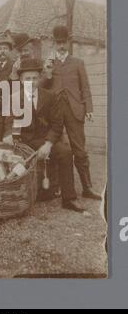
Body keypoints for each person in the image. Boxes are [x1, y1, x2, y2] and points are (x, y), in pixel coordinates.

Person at [3, 58, 85, 213]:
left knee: (66, 152)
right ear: (21, 80)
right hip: (23, 141)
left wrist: (48, 144)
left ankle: (69, 198)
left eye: (34, 78)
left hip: (44, 139)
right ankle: (23, 196)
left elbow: (57, 125)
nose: (31, 82)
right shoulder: (14, 98)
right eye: (27, 78)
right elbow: (9, 122)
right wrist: (8, 135)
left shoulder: (50, 96)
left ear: (39, 78)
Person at [42, 25, 101, 200]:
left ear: (68, 42)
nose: (61, 46)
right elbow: (43, 88)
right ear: (54, 43)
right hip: (54, 114)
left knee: (80, 150)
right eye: (58, 43)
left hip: (75, 111)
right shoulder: (49, 64)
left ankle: (87, 188)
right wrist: (47, 72)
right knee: (57, 149)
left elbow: (85, 88)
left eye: (64, 42)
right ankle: (57, 186)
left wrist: (88, 108)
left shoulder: (78, 63)